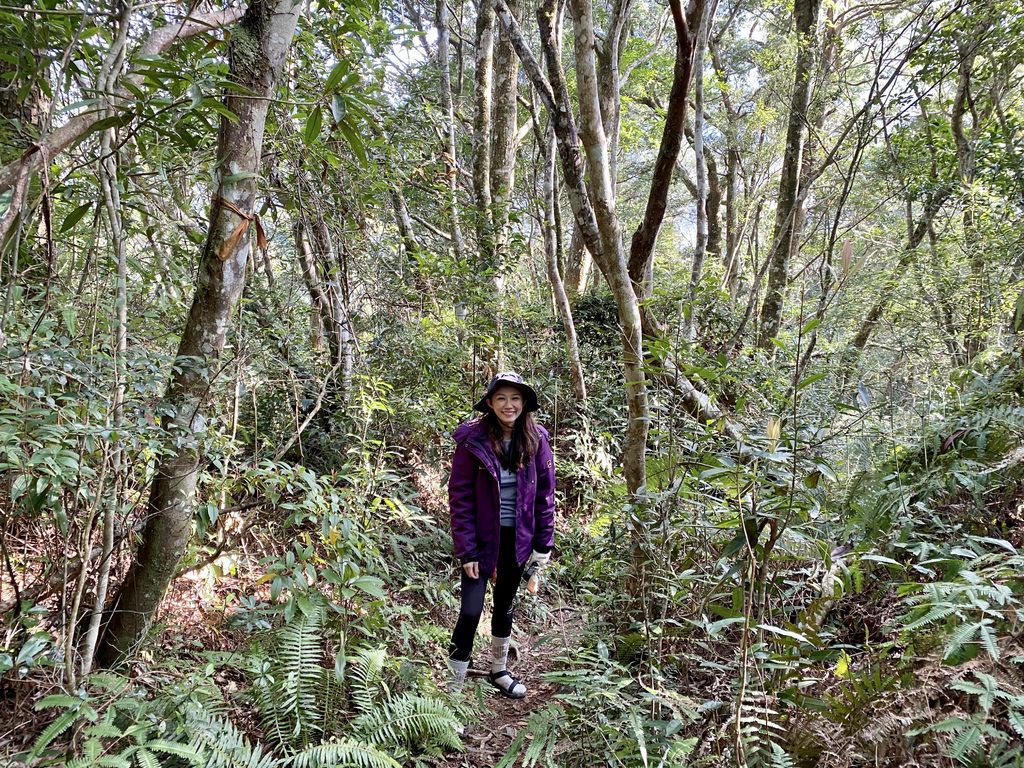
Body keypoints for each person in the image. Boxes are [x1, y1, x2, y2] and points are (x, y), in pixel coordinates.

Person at [446, 372, 556, 698]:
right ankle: (453, 690)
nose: (509, 405)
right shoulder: (473, 440)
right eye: (502, 399)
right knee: (469, 611)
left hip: (518, 539)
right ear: (491, 403)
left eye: (515, 399)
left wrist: (543, 545)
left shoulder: (537, 438)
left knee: (505, 605)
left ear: (524, 404)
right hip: (481, 542)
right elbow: (460, 497)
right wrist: (466, 550)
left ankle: (499, 670)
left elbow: (545, 496)